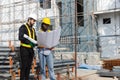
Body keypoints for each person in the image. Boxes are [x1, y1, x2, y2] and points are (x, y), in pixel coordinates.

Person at [19, 13, 37, 80]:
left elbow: (35, 38)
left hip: (31, 50)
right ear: (29, 19)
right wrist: (30, 42)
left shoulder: (33, 29)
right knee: (24, 66)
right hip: (24, 49)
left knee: (29, 66)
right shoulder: (23, 27)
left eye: (35, 21)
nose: (34, 22)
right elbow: (20, 37)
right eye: (33, 20)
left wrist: (36, 43)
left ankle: (27, 78)